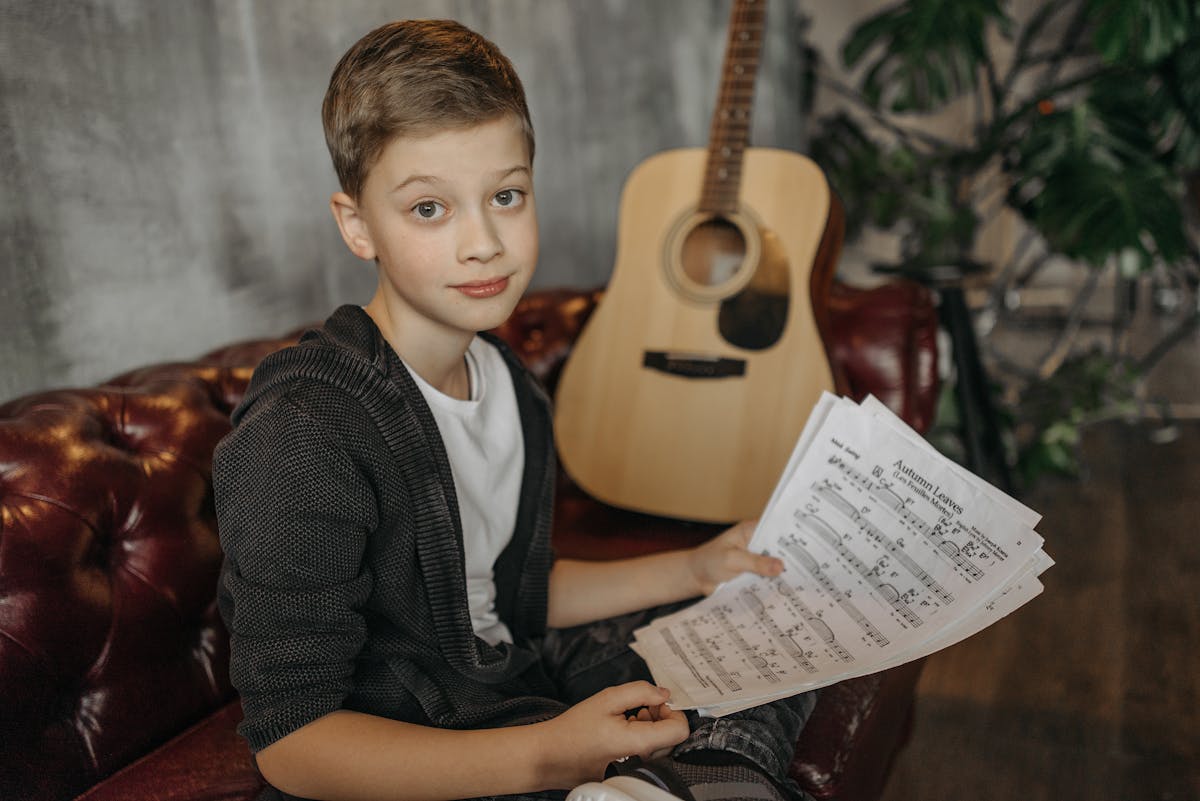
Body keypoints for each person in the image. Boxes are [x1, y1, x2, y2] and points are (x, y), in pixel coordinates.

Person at [213, 18, 817, 801]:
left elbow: (508, 594)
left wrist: (695, 566)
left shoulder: (507, 381)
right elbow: (293, 742)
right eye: (430, 209)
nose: (485, 242)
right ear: (357, 225)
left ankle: (674, 781)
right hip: (415, 734)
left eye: (506, 195)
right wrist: (551, 753)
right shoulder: (304, 431)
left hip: (510, 674)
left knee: (773, 630)